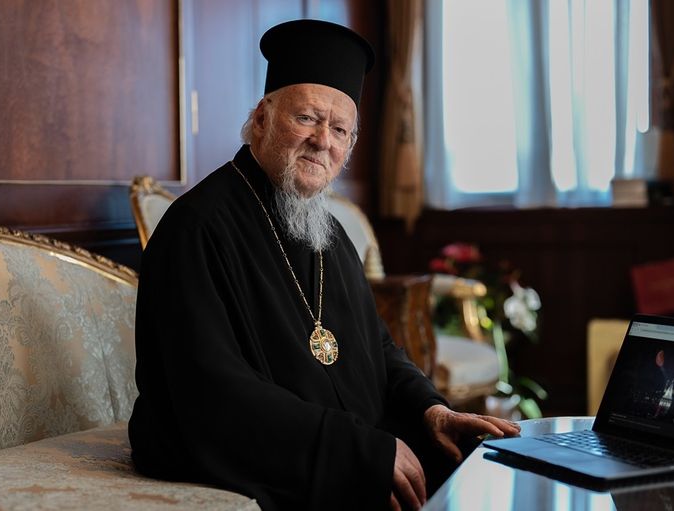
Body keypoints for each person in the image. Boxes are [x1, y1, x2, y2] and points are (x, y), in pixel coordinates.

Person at [128, 19, 519, 511]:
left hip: (343, 443)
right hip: (256, 451)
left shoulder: (328, 233)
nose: (322, 141)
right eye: (307, 118)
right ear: (262, 118)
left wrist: (430, 408)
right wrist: (359, 450)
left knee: (472, 471)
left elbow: (377, 349)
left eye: (339, 130)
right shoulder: (197, 227)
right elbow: (209, 393)